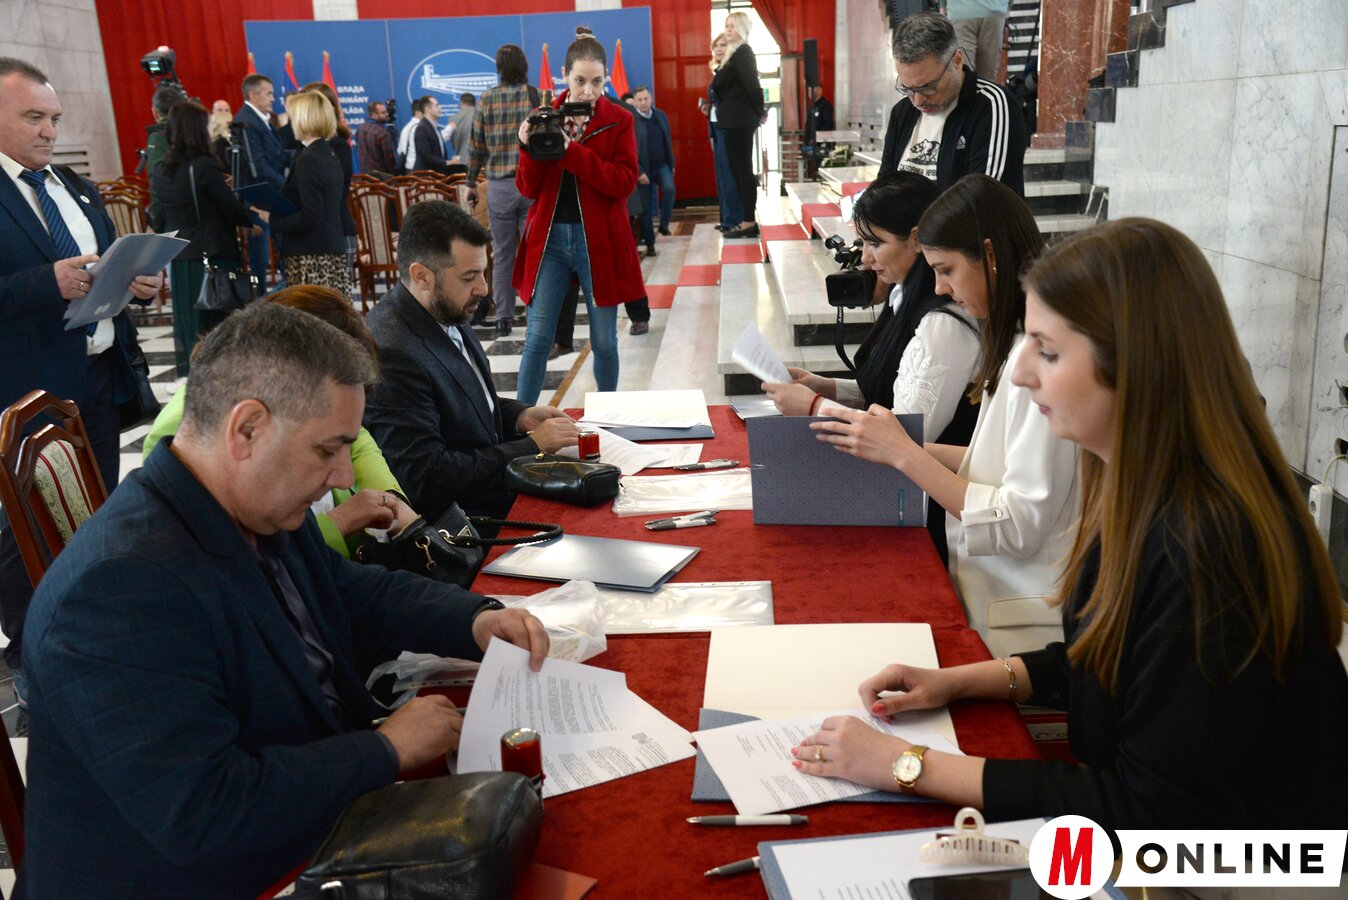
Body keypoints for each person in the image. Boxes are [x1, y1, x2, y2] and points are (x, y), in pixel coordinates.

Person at [793, 218, 1348, 832]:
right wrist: (956, 681)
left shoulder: (1206, 547)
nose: (1022, 373)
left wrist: (907, 765)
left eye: (1049, 351)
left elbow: (1146, 810)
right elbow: (1103, 659)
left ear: (1136, 363)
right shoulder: (1140, 482)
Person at [19, 302, 550, 896]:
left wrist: (475, 619)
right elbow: (205, 810)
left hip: (297, 820)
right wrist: (382, 751)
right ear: (246, 429)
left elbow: (349, 591)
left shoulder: (247, 504)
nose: (344, 476)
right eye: (327, 450)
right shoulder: (118, 589)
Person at [812, 175, 1077, 657]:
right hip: (987, 587)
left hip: (1021, 617)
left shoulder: (1036, 359)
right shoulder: (1012, 341)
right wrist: (889, 444)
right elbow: (991, 462)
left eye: (947, 269)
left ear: (990, 255)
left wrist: (905, 454)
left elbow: (1017, 525)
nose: (938, 286)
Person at [0, 56, 165, 702]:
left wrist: (136, 283)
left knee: (93, 510)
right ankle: (27, 651)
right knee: (26, 526)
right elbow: (43, 282)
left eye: (55, 118)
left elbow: (103, 270)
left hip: (97, 376)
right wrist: (46, 283)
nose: (49, 130)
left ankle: (88, 627)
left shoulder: (72, 185)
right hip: (24, 388)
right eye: (33, 117)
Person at [762, 172, 979, 563]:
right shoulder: (903, 296)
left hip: (927, 510)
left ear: (916, 239)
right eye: (862, 242)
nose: (864, 258)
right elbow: (892, 388)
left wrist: (814, 407)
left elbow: (904, 435)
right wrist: (827, 387)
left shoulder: (943, 324)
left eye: (875, 243)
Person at [143, 284, 420, 558]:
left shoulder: (289, 400)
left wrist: (387, 498)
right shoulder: (186, 427)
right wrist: (339, 522)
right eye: (326, 450)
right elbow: (233, 554)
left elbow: (354, 436)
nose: (344, 476)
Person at [363, 200, 579, 524]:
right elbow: (426, 477)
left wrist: (518, 417)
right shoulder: (393, 352)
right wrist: (532, 446)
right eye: (469, 277)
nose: (483, 288)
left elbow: (461, 404)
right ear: (422, 276)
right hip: (467, 523)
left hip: (492, 493)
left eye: (483, 272)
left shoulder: (442, 307)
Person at [512, 27, 643, 406]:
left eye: (597, 82)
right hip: (549, 241)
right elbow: (528, 188)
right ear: (564, 76)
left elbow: (623, 183)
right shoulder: (544, 117)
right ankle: (519, 422)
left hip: (599, 242)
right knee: (538, 338)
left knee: (604, 340)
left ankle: (608, 417)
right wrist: (525, 147)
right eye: (580, 80)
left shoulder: (619, 119)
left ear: (606, 79)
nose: (588, 91)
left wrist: (571, 152)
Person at [151, 99, 256, 376]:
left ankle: (192, 378)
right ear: (196, 129)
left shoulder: (161, 169)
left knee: (189, 326)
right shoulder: (204, 166)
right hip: (213, 256)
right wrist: (251, 221)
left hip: (180, 258)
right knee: (218, 329)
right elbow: (230, 209)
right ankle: (223, 381)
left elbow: (160, 214)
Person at [878, 12, 1026, 195]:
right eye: (907, 89)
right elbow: (884, 186)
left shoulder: (991, 106)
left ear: (957, 61)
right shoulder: (903, 111)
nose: (917, 101)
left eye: (928, 87)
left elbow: (984, 198)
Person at [467, 44, 541, 337]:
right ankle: (535, 312)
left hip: (498, 187)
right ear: (524, 66)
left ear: (499, 68)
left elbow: (476, 146)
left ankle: (503, 318)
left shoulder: (486, 99)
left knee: (502, 255)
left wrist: (471, 183)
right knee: (533, 253)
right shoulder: (534, 96)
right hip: (530, 184)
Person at [251, 91, 348, 299]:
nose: (291, 123)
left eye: (293, 117)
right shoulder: (327, 153)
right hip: (328, 249)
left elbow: (311, 216)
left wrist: (271, 219)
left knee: (309, 315)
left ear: (304, 119)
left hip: (310, 256)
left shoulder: (309, 159)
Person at [711, 12, 765, 239]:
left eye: (732, 26)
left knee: (743, 171)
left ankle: (748, 221)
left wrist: (760, 112)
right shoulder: (733, 54)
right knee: (738, 171)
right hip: (733, 121)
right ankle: (745, 220)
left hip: (740, 121)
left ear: (742, 28)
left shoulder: (743, 51)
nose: (728, 29)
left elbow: (753, 85)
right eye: (727, 25)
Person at [233, 73, 289, 280]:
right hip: (259, 198)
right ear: (253, 95)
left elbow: (277, 154)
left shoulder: (260, 119)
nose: (273, 99)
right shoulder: (246, 121)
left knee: (278, 252)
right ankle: (261, 296)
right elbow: (259, 166)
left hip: (270, 195)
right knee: (260, 259)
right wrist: (287, 185)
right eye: (269, 94)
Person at [303, 81, 357, 275]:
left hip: (336, 233)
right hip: (313, 235)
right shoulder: (303, 146)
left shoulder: (337, 146)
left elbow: (336, 193)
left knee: (335, 293)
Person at [699, 34, 743, 233]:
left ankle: (734, 219)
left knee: (729, 176)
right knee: (721, 177)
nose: (718, 49)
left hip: (727, 128)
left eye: (723, 45)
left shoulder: (731, 71)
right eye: (715, 46)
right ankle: (726, 217)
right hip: (716, 127)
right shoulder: (718, 71)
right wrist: (708, 109)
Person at [630, 86, 675, 257]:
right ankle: (650, 244)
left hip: (661, 165)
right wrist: (639, 171)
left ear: (651, 99)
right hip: (643, 170)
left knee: (670, 189)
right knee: (645, 210)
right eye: (640, 100)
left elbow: (667, 140)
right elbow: (630, 149)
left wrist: (671, 164)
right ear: (635, 102)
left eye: (646, 99)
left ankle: (664, 225)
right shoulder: (631, 120)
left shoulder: (660, 115)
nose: (643, 102)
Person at [144, 83, 186, 231]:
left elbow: (157, 180)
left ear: (155, 112)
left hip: (173, 217)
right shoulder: (193, 132)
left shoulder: (158, 138)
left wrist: (157, 220)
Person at [946, 0, 1010, 82]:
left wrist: (943, 6)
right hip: (994, 9)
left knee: (964, 74)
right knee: (987, 77)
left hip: (961, 10)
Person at [356, 99, 397, 176]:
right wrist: (394, 175)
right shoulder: (383, 133)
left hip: (365, 176)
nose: (387, 114)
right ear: (374, 115)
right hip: (382, 177)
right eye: (383, 112)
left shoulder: (360, 129)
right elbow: (389, 158)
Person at [412, 95, 450, 175]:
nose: (440, 108)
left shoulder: (435, 127)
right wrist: (447, 162)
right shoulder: (422, 128)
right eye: (436, 106)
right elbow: (426, 156)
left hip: (437, 175)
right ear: (427, 109)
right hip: (426, 177)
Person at [395, 96, 425, 173]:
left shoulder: (406, 127)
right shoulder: (418, 127)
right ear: (417, 112)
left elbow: (400, 150)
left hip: (409, 167)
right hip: (417, 168)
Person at [447, 92, 475, 163]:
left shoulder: (452, 119)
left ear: (461, 103)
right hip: (481, 162)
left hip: (460, 161)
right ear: (475, 104)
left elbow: (453, 143)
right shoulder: (482, 117)